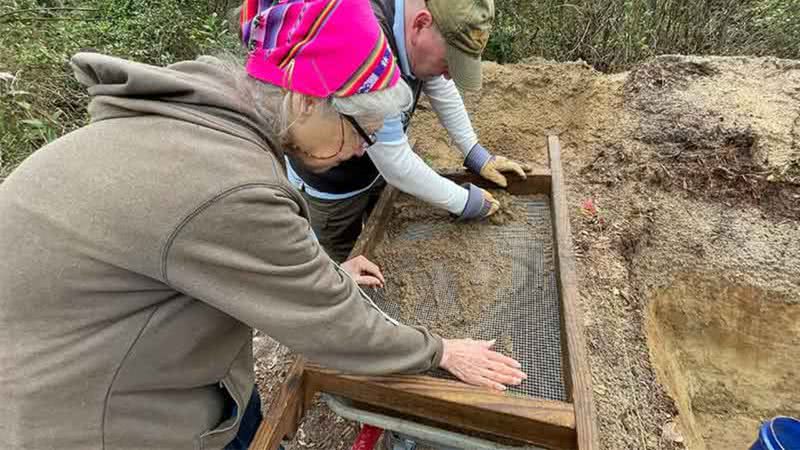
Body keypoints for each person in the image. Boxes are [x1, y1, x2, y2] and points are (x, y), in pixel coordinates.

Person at [0, 1, 526, 449]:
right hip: (96, 415)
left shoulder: (203, 120)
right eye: (359, 131)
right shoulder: (232, 186)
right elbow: (331, 326)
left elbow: (198, 250)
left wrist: (324, 273)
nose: (362, 149)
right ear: (305, 99)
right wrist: (441, 350)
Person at [277, 0, 532, 262]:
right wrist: (464, 202)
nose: (449, 75)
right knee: (346, 255)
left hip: (372, 170)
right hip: (333, 186)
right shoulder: (364, 45)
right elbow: (396, 163)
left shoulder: (418, 29)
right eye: (448, 62)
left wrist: (474, 151)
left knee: (376, 227)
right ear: (421, 24)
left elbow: (437, 82)